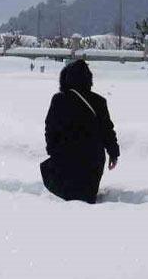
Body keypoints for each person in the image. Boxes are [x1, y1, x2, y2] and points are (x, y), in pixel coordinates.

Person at [41, 59, 119, 203]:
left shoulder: (59, 100)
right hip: (93, 161)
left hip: (66, 159)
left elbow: (50, 129)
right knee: (86, 197)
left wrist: (53, 151)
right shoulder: (99, 102)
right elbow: (107, 130)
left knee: (70, 198)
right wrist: (113, 154)